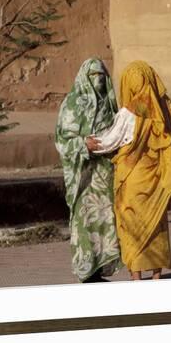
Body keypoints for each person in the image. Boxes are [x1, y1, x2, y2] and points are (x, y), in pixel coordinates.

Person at [87, 60, 171, 280]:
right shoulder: (168, 109)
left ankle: (136, 277)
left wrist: (88, 143)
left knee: (131, 226)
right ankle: (156, 275)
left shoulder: (129, 113)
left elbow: (110, 142)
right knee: (156, 225)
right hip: (157, 178)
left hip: (132, 180)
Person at [55, 58, 122, 283]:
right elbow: (62, 140)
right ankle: (86, 272)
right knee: (85, 222)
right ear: (85, 77)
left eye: (102, 75)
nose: (99, 80)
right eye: (94, 76)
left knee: (105, 221)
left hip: (104, 174)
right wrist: (84, 145)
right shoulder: (72, 104)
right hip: (83, 176)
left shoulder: (109, 103)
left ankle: (99, 270)